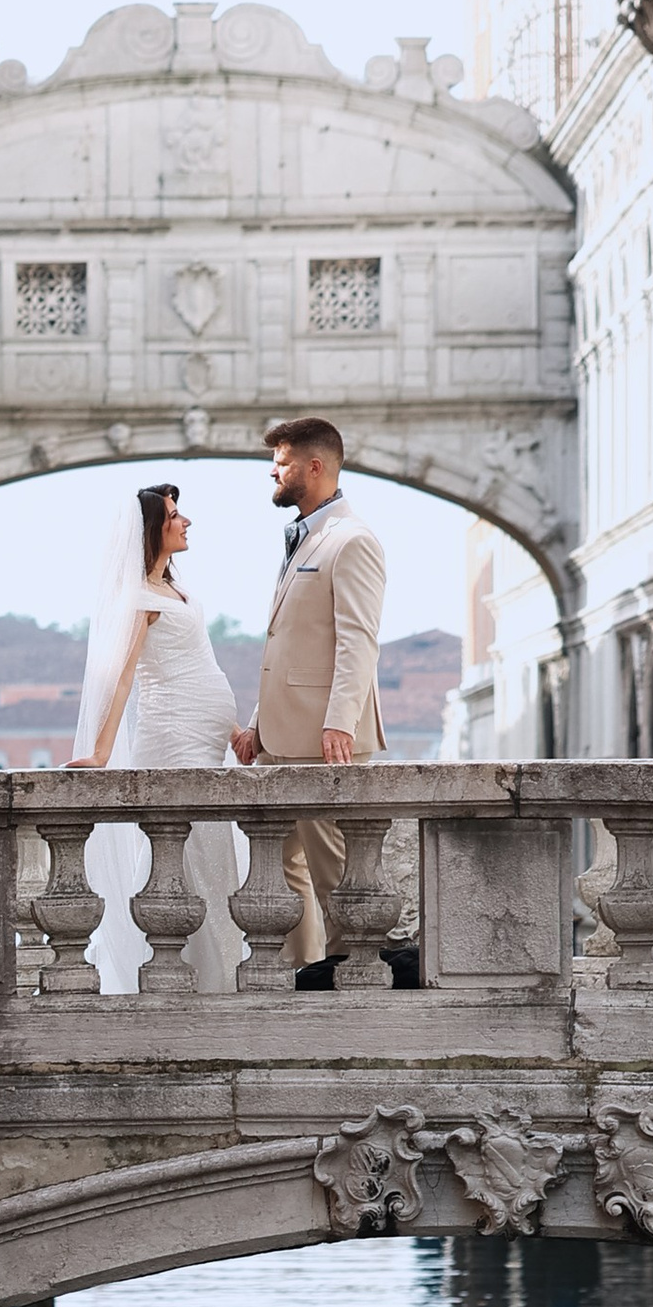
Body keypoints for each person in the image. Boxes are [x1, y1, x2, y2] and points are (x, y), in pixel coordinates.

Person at [70, 483, 246, 994]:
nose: (186, 521)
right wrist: (102, 753)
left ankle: (221, 972)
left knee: (216, 857)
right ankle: (196, 979)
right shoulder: (140, 599)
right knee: (191, 852)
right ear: (153, 529)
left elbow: (200, 665)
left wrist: (234, 731)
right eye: (174, 514)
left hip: (209, 737)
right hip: (174, 736)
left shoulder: (178, 589)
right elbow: (122, 677)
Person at [229, 415, 385, 969]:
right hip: (281, 738)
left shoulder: (353, 539)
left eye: (283, 462)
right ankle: (301, 974)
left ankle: (351, 977)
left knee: (336, 873)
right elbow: (288, 646)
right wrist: (256, 724)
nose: (274, 471)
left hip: (325, 740)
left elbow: (357, 641)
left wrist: (341, 720)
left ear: (314, 467)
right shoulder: (303, 536)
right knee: (282, 867)